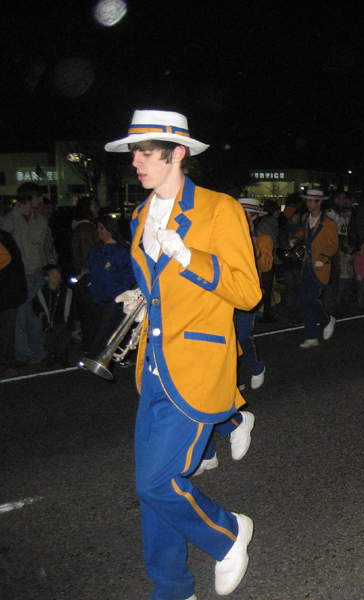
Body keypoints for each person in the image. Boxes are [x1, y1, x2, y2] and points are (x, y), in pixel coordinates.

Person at [106, 109, 261, 600]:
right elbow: (158, 286)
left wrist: (189, 257)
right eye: (133, 152)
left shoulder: (219, 209)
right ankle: (172, 587)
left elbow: (247, 291)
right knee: (151, 489)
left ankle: (229, 534)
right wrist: (142, 299)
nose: (135, 162)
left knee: (156, 483)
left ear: (177, 154)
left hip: (196, 365)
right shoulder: (138, 214)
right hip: (151, 367)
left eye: (145, 152)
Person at [2, 182, 57, 364]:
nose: (40, 200)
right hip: (18, 277)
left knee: (37, 315)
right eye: (37, 196)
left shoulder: (40, 220)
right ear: (28, 197)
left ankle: (37, 353)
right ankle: (21, 353)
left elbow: (47, 247)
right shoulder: (9, 221)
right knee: (19, 317)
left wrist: (52, 268)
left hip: (38, 274)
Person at [85, 215, 136, 358]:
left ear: (110, 229)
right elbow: (91, 271)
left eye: (102, 228)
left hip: (113, 298)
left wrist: (115, 293)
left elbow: (128, 276)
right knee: (96, 328)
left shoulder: (120, 251)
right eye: (98, 228)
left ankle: (95, 357)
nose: (99, 231)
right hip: (97, 297)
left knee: (106, 330)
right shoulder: (96, 250)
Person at [235, 198, 272, 390]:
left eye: (243, 214)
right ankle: (236, 380)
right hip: (230, 291)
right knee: (228, 338)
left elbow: (266, 265)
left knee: (242, 334)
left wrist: (254, 244)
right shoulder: (229, 236)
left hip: (250, 295)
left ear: (254, 217)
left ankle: (257, 366)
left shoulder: (264, 238)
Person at [295, 188, 339, 348]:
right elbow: (306, 232)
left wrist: (323, 258)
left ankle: (328, 320)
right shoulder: (306, 218)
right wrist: (296, 238)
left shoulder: (329, 223)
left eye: (310, 200)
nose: (307, 203)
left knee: (310, 298)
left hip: (321, 267)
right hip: (307, 265)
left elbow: (333, 245)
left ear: (319, 202)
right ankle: (311, 337)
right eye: (306, 200)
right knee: (306, 302)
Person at [0, 208, 28, 377]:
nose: (2, 219)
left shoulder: (4, 237)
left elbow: (15, 262)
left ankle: (6, 363)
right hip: (7, 292)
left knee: (7, 332)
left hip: (8, 294)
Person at [32, 264, 74, 368]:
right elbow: (36, 303)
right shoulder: (42, 292)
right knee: (50, 340)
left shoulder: (66, 291)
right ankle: (52, 356)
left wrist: (75, 318)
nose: (58, 277)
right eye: (54, 276)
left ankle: (63, 357)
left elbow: (73, 305)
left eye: (59, 275)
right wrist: (39, 312)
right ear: (47, 278)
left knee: (64, 340)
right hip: (50, 321)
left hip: (64, 320)